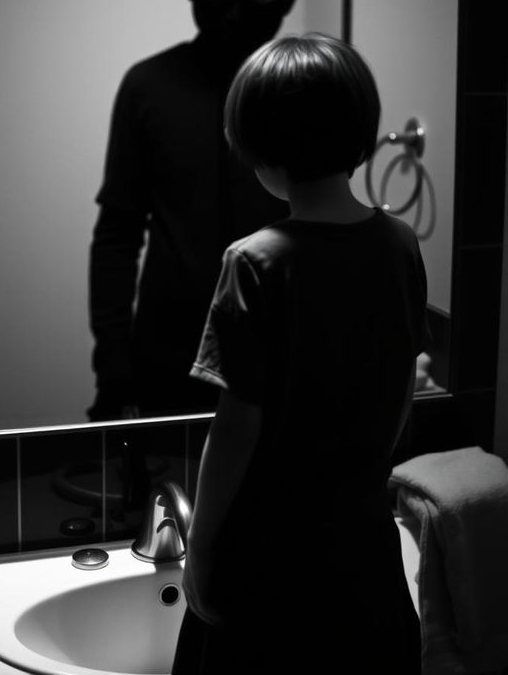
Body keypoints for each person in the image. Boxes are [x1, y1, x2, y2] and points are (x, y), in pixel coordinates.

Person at [172, 33, 427, 675]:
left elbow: (236, 428)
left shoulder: (254, 261)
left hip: (270, 557)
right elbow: (400, 393)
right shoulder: (400, 244)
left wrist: (200, 548)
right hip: (365, 551)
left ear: (261, 150)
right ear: (361, 134)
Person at [87, 0, 335, 420]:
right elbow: (118, 234)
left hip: (287, 356)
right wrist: (113, 365)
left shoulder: (313, 90)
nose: (234, 15)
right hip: (164, 360)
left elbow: (331, 232)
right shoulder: (148, 87)